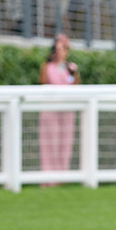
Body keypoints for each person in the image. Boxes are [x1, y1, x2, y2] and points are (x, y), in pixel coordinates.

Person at [39, 34, 80, 181]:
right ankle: (48, 178)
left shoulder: (71, 67)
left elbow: (76, 85)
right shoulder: (47, 67)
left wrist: (72, 73)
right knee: (50, 143)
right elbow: (43, 83)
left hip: (67, 110)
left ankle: (61, 177)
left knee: (65, 143)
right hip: (50, 109)